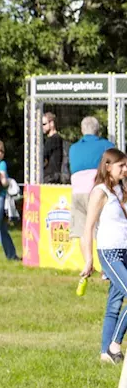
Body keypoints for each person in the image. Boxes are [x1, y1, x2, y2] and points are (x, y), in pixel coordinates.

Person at [80, 149, 127, 365]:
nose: (125, 170)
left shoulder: (121, 189)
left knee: (115, 302)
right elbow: (88, 228)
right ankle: (114, 344)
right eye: (121, 166)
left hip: (125, 251)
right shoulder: (100, 192)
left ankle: (104, 354)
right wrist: (89, 259)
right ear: (108, 166)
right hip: (109, 252)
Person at [72, 116, 115, 239]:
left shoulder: (73, 148)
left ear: (82, 130)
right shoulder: (107, 146)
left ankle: (87, 258)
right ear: (98, 130)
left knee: (82, 232)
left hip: (78, 193)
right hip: (97, 192)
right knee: (100, 229)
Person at [43, 112, 70, 184]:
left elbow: (42, 156)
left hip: (51, 177)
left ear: (51, 123)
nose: (42, 127)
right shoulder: (58, 139)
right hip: (54, 176)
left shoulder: (53, 139)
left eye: (44, 124)